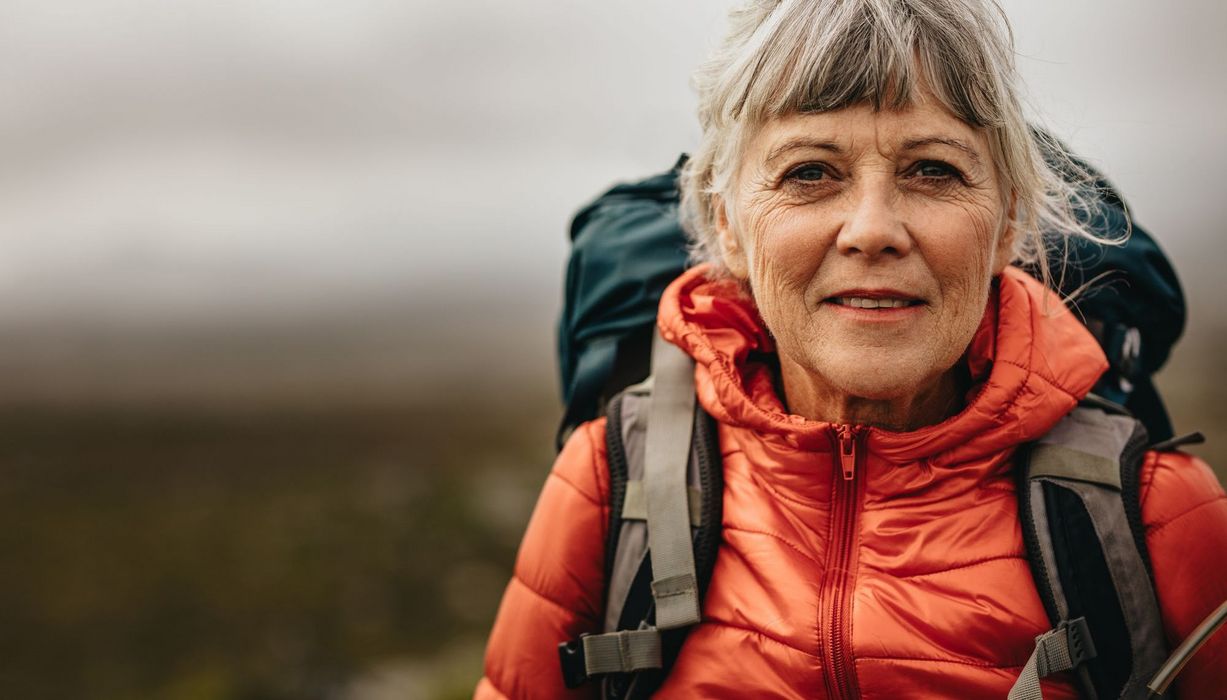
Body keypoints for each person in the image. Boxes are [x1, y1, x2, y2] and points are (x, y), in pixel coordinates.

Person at [476, 0, 1227, 697]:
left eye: (931, 170)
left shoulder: (1160, 513)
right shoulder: (611, 478)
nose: (871, 229)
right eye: (808, 173)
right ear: (727, 224)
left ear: (1007, 223)